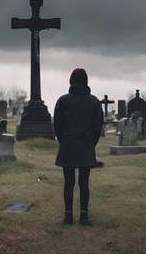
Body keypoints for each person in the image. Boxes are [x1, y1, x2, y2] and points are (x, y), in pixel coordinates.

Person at [53, 68, 104, 225]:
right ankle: (84, 216)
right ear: (86, 81)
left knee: (68, 182)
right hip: (86, 145)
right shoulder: (94, 102)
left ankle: (68, 216)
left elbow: (57, 126)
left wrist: (64, 140)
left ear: (71, 81)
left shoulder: (63, 101)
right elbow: (97, 127)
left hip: (68, 144)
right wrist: (90, 143)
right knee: (84, 182)